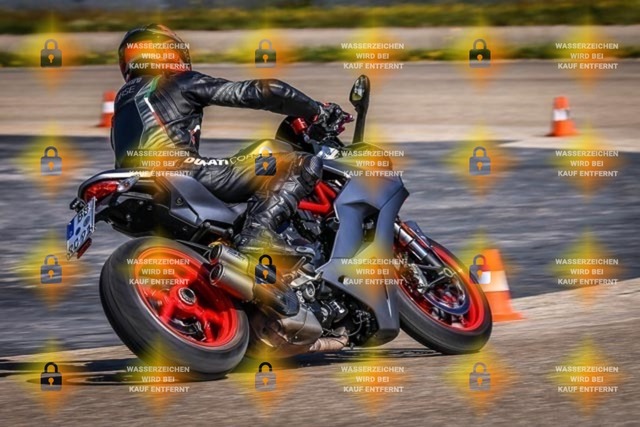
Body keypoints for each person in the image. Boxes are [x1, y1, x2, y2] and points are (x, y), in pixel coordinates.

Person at [111, 24, 348, 254]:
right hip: (182, 172)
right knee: (299, 163)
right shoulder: (178, 81)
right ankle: (258, 232)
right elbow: (265, 92)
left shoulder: (122, 105)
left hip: (132, 187)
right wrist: (317, 111)